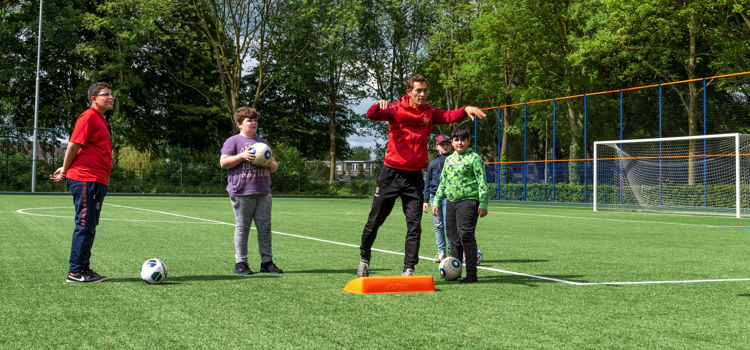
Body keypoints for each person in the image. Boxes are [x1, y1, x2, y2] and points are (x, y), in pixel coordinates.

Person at [357, 74, 486, 277]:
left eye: (425, 90)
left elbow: (449, 116)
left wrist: (465, 109)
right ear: (409, 92)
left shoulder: (430, 112)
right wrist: (376, 105)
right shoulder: (394, 109)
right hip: (390, 174)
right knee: (375, 221)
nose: (423, 94)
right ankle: (364, 258)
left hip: (414, 177)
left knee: (414, 225)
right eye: (419, 90)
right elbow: (371, 115)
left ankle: (408, 268)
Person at [50, 82, 115, 283]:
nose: (111, 97)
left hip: (96, 179)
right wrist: (66, 168)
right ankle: (76, 272)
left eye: (112, 95)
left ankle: (83, 269)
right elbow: (73, 144)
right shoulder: (88, 117)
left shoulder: (100, 119)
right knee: (85, 224)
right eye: (106, 94)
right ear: (94, 98)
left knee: (89, 225)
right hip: (86, 178)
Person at [220, 107, 283, 275]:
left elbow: (275, 166)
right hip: (242, 191)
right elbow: (223, 163)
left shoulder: (263, 143)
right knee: (242, 227)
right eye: (249, 120)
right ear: (240, 124)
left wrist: (267, 162)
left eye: (255, 120)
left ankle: (267, 262)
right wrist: (242, 156)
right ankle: (241, 263)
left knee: (265, 227)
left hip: (263, 191)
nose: (253, 122)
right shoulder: (233, 141)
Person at [432, 125, 488, 283]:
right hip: (451, 202)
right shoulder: (449, 159)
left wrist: (483, 202)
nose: (460, 143)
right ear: (452, 142)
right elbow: (443, 182)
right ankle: (455, 271)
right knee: (453, 238)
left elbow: (482, 181)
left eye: (463, 139)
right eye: (456, 140)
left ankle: (471, 274)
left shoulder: (474, 158)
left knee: (466, 235)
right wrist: (437, 200)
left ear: (468, 141)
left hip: (469, 201)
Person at [422, 134, 452, 263]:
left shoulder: (453, 160)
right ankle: (441, 252)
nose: (445, 147)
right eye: (442, 145)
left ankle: (452, 252)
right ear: (437, 147)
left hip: (448, 197)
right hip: (435, 198)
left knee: (448, 225)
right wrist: (425, 200)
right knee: (438, 226)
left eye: (447, 144)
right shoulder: (432, 164)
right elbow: (427, 182)